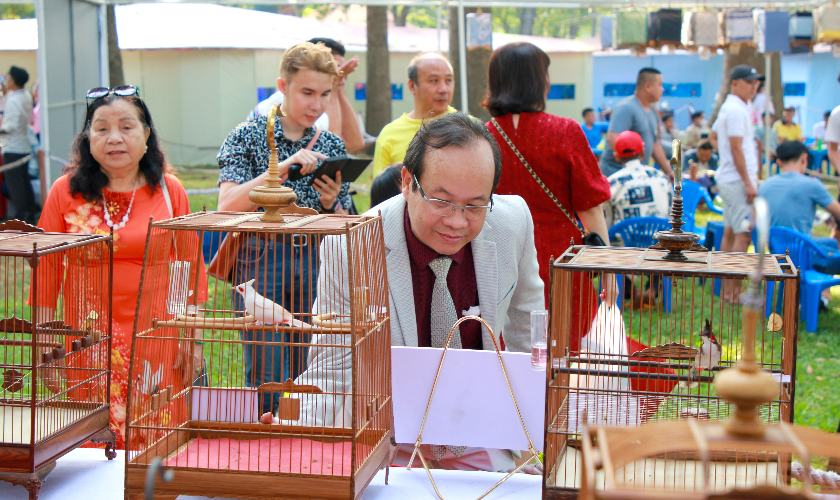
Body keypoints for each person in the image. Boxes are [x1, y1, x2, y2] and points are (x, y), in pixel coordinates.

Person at [299, 113, 544, 472]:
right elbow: (332, 364)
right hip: (387, 442)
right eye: (441, 201)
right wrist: (306, 440)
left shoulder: (512, 222)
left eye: (475, 204)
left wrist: (529, 428)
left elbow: (530, 331)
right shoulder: (352, 246)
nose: (458, 221)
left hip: (482, 436)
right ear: (406, 182)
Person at [37, 85, 206, 448]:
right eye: (101, 128)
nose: (114, 138)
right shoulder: (64, 192)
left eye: (127, 127)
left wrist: (192, 337)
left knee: (158, 432)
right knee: (95, 437)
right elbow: (47, 270)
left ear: (146, 135)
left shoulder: (168, 190)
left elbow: (190, 263)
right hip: (90, 336)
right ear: (87, 138)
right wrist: (46, 339)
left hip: (158, 333)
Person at [217, 42, 351, 412]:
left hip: (318, 259)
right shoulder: (247, 135)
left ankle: (306, 446)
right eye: (307, 92)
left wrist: (330, 201)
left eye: (325, 94)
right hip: (260, 259)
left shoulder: (331, 143)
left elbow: (347, 223)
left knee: (316, 365)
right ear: (283, 86)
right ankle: (267, 446)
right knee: (267, 368)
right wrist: (282, 167)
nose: (317, 104)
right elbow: (227, 206)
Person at [484, 42, 611, 308]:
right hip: (562, 256)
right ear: (539, 81)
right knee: (565, 339)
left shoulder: (482, 136)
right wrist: (609, 274)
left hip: (498, 255)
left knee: (505, 339)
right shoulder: (566, 131)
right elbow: (591, 207)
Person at [248, 38, 365, 154]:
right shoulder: (272, 108)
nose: (316, 106)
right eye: (307, 93)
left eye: (341, 69)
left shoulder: (322, 106)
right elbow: (331, 153)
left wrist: (336, 88)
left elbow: (355, 145)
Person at [711, 64, 762, 302]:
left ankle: (726, 290)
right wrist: (749, 183)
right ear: (735, 83)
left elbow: (714, 135)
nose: (754, 86)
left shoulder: (737, 107)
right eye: (749, 82)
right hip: (737, 181)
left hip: (732, 178)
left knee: (732, 232)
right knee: (743, 233)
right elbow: (735, 147)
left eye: (755, 82)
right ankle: (731, 292)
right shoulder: (734, 109)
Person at [759, 140, 840, 276]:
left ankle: (819, 293)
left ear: (779, 162)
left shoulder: (764, 186)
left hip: (776, 253)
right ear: (804, 158)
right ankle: (818, 293)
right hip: (801, 255)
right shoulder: (812, 185)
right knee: (831, 251)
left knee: (831, 243)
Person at [370, 52, 456, 178]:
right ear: (412, 86)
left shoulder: (470, 127)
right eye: (433, 81)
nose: (443, 89)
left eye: (448, 80)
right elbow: (381, 192)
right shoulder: (390, 134)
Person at [599, 67, 674, 180]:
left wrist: (669, 172)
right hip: (615, 175)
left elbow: (655, 145)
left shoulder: (653, 111)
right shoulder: (626, 108)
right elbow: (613, 138)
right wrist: (632, 165)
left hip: (636, 175)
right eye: (660, 85)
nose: (662, 89)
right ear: (648, 86)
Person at [607, 130, 672, 227]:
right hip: (659, 240)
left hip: (625, 242)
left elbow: (607, 223)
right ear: (642, 153)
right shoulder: (662, 178)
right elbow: (670, 215)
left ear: (616, 157)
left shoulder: (611, 183)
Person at [0, 65, 38, 223]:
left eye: (8, 78)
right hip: (22, 145)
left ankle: (24, 216)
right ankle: (29, 210)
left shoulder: (14, 99)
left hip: (13, 147)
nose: (6, 81)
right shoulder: (24, 95)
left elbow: (12, 125)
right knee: (23, 181)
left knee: (16, 185)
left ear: (14, 81)